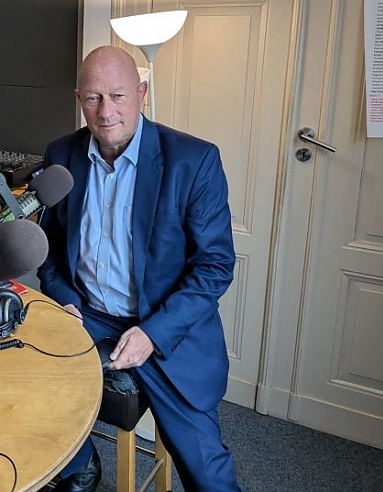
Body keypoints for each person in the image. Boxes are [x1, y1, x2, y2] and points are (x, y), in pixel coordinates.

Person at [38, 46, 240, 491]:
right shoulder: (60, 154)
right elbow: (49, 247)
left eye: (118, 96)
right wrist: (66, 301)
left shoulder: (193, 160)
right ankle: (80, 466)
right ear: (78, 98)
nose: (106, 112)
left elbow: (215, 266)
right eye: (93, 98)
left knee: (207, 474)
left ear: (142, 93)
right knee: (13, 372)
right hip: (86, 314)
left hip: (165, 325)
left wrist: (153, 333)